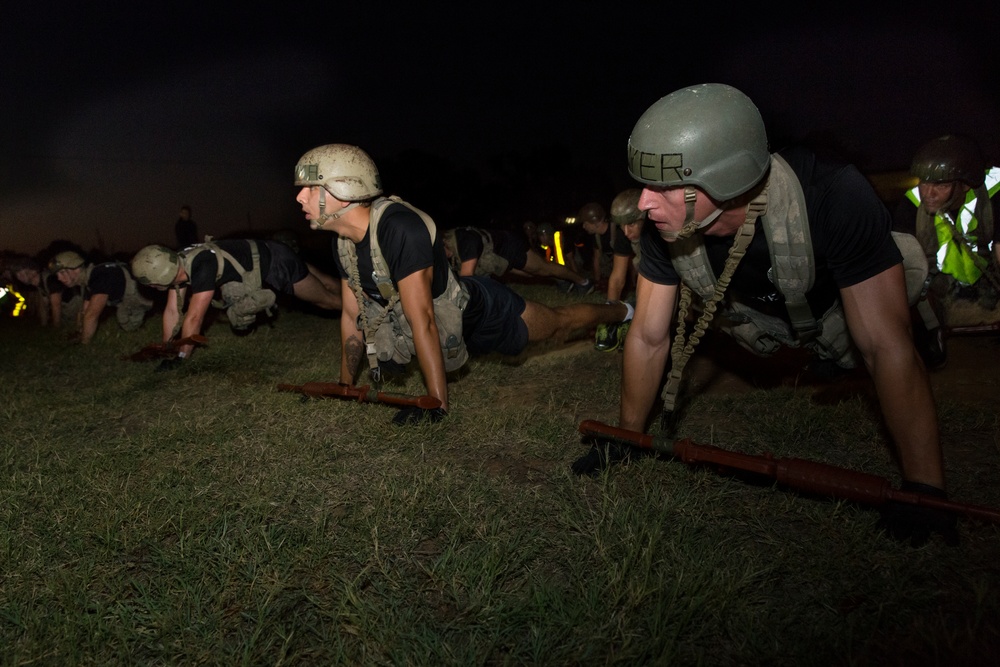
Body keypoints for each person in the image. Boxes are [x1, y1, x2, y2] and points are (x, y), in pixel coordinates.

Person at [576, 83, 956, 547]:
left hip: (837, 306)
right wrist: (627, 437)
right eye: (645, 185)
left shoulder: (833, 194)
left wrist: (924, 488)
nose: (645, 202)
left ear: (728, 179)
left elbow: (885, 346)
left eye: (665, 187)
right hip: (754, 317)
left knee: (898, 277)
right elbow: (649, 337)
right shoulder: (666, 227)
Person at [293, 144, 632, 424]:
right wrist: (344, 385)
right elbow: (353, 318)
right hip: (443, 325)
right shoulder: (343, 244)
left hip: (479, 310)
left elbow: (423, 318)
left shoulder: (400, 228)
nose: (300, 199)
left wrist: (436, 403)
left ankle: (618, 311)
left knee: (558, 324)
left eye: (310, 189)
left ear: (344, 189)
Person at [130, 239, 343, 369]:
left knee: (327, 301)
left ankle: (360, 310)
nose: (152, 288)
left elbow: (194, 317)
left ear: (160, 279)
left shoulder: (201, 266)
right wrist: (167, 347)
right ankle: (358, 295)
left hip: (276, 261)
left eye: (152, 284)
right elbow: (173, 309)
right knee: (327, 282)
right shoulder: (178, 262)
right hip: (270, 249)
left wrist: (182, 357)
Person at [893, 135, 1000, 367]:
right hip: (940, 287)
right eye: (923, 183)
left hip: (991, 281)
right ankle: (932, 334)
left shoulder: (994, 195)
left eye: (940, 185)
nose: (927, 193)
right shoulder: (911, 204)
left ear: (964, 184)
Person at [442, 225, 594, 292]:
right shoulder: (448, 253)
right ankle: (562, 281)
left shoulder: (464, 241)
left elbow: (467, 282)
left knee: (543, 268)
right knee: (531, 274)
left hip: (509, 246)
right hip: (499, 259)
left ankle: (584, 282)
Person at [49, 250, 154, 344]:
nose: (59, 278)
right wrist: (79, 331)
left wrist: (84, 343)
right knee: (123, 319)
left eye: (62, 272)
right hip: (128, 299)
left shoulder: (99, 276)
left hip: (147, 298)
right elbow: (85, 310)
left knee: (128, 324)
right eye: (57, 274)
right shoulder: (90, 278)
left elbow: (92, 314)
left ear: (76, 268)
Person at [594, 188, 645, 351]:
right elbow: (617, 277)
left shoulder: (662, 231)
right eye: (621, 226)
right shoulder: (624, 234)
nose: (626, 232)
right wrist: (611, 313)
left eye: (631, 224)